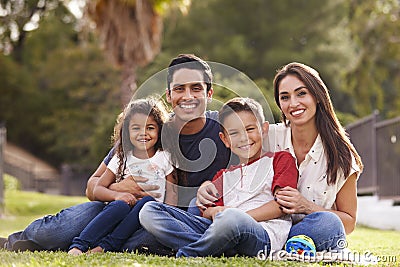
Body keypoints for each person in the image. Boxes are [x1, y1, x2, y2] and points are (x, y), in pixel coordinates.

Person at [1, 54, 233, 253]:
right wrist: (118, 190)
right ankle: (15, 242)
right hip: (118, 208)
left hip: (163, 221)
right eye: (179, 89)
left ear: (209, 93)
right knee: (63, 228)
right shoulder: (150, 131)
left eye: (196, 88)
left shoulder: (225, 130)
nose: (188, 96)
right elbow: (92, 187)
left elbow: (259, 139)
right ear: (169, 96)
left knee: (148, 235)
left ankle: (99, 243)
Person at [196, 62, 363, 252]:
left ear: (317, 96)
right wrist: (207, 186)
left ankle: (263, 244)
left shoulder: (342, 156)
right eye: (285, 97)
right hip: (260, 224)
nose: (293, 103)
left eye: (301, 93)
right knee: (197, 205)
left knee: (328, 223)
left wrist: (306, 206)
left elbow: (348, 222)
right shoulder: (268, 135)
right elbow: (236, 162)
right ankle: (235, 237)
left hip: (303, 231)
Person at [139, 97, 298, 257]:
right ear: (225, 139)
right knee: (149, 210)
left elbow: (282, 205)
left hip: (262, 233)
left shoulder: (280, 159)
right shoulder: (223, 175)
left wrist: (235, 216)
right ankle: (219, 248)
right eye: (234, 133)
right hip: (220, 229)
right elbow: (207, 212)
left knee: (230, 219)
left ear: (263, 130)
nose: (243, 138)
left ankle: (190, 253)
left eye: (249, 129)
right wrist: (217, 211)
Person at [68, 97, 177, 255]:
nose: (143, 133)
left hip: (150, 215)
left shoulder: (164, 157)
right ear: (126, 131)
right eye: (136, 128)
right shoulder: (122, 157)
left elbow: (172, 190)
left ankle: (105, 247)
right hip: (122, 209)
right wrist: (117, 195)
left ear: (160, 129)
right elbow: (98, 189)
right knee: (119, 206)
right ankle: (79, 245)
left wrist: (168, 214)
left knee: (147, 202)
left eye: (150, 128)